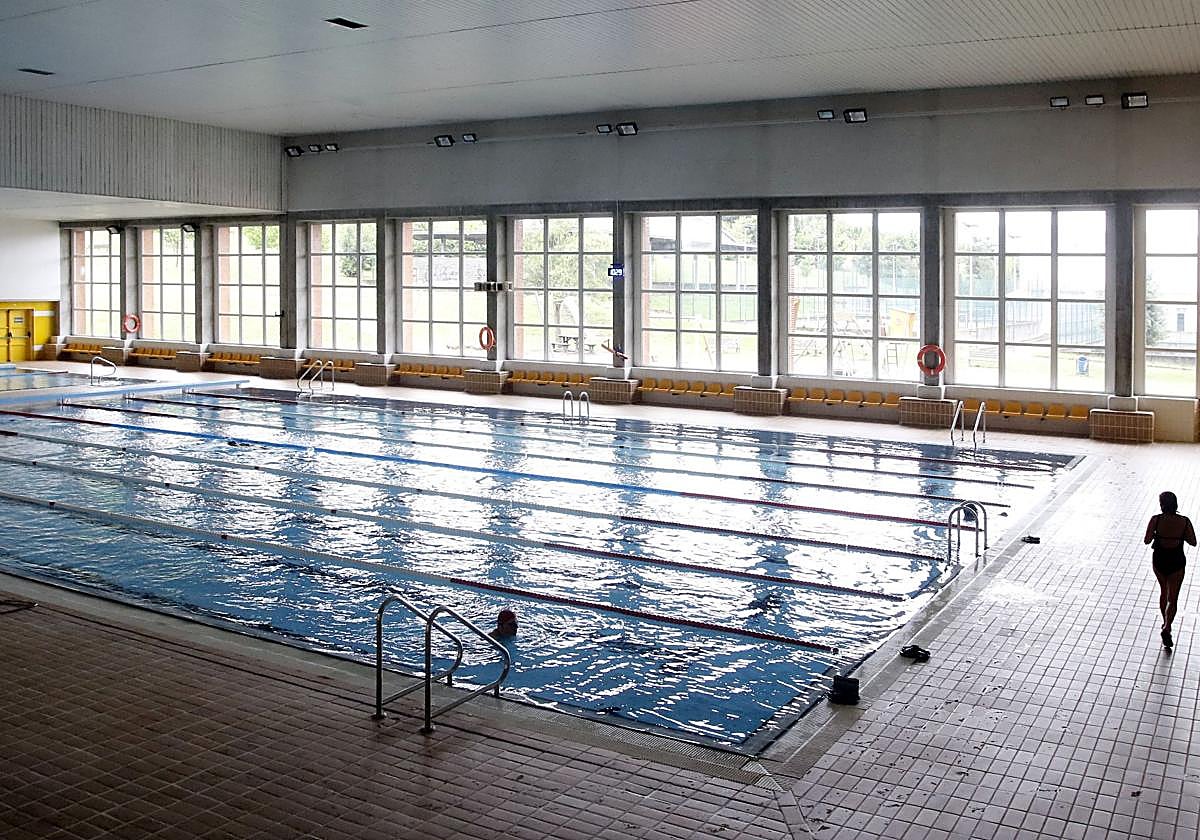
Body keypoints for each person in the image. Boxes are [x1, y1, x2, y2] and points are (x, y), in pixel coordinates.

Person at [1143, 491, 1195, 650]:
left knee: (1163, 591)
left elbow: (1147, 540)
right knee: (1173, 598)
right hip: (1177, 561)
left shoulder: (1156, 519)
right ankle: (1167, 626)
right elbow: (1193, 542)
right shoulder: (1184, 522)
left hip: (1159, 560)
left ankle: (1165, 623)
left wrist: (1159, 534)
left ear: (1161, 504)